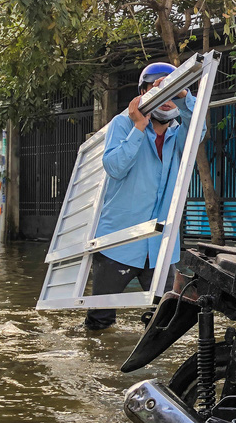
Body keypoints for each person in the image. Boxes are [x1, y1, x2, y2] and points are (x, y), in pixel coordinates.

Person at [83, 62, 198, 331]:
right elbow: (114, 167)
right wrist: (137, 128)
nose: (167, 99)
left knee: (165, 319)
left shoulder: (178, 134)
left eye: (174, 91)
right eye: (160, 89)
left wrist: (185, 98)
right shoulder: (122, 124)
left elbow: (197, 130)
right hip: (118, 242)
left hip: (160, 245)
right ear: (143, 93)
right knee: (100, 321)